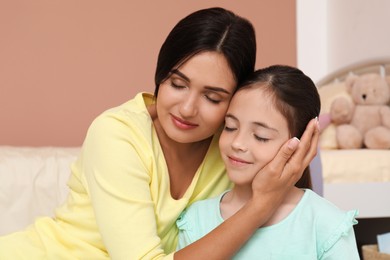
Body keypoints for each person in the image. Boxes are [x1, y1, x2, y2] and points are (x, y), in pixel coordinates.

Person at [0, 8, 320, 259]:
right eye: (177, 84)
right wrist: (261, 205)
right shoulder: (116, 135)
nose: (187, 108)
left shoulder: (233, 149)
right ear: (160, 76)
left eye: (212, 97)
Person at [176, 65, 360, 259]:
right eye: (230, 127)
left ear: (302, 144)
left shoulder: (325, 223)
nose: (237, 143)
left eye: (261, 137)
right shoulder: (197, 219)